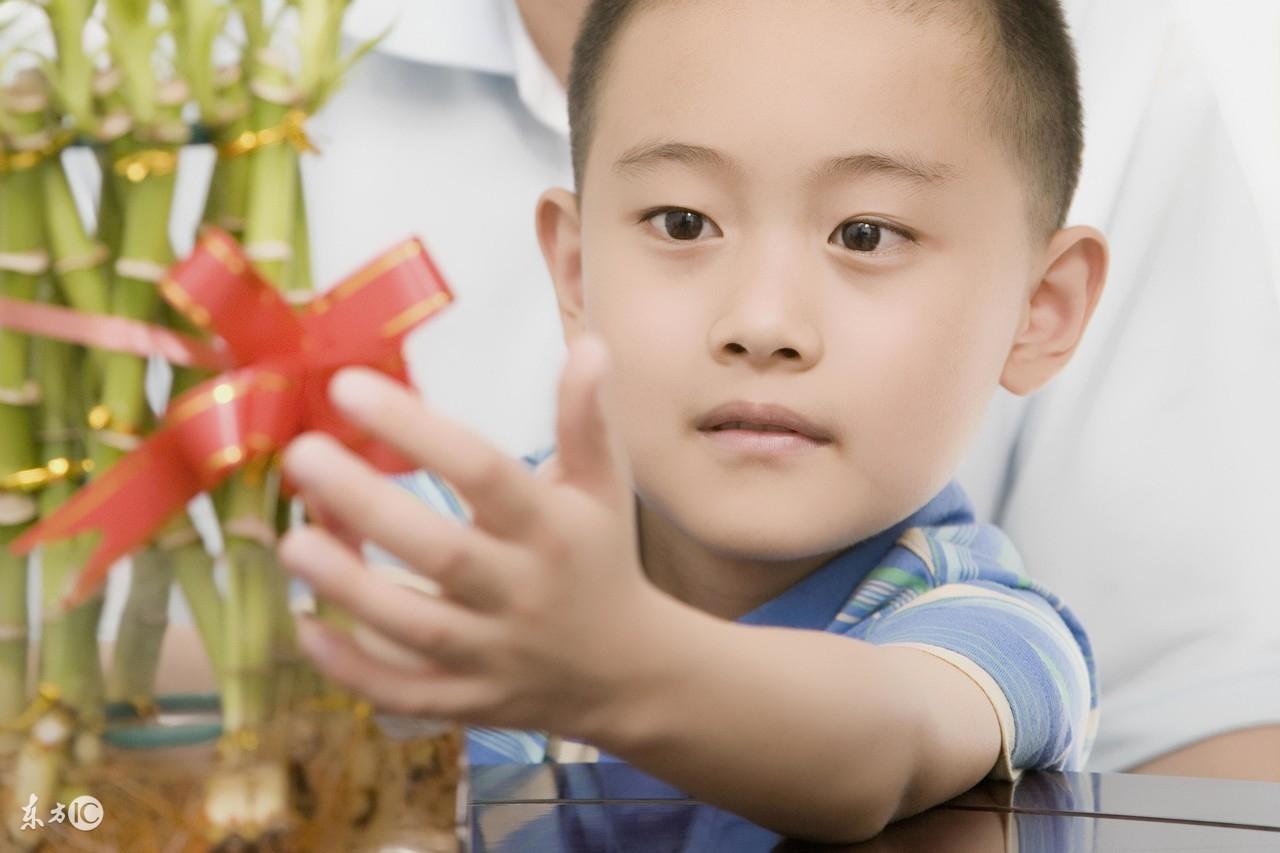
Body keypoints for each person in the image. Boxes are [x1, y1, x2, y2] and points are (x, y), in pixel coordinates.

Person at [276, 0, 1106, 841]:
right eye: (684, 223)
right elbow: (225, 671)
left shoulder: (992, 627)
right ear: (575, 270)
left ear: (1042, 308)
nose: (762, 321)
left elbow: (878, 748)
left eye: (865, 233)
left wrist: (617, 662)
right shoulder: (461, 537)